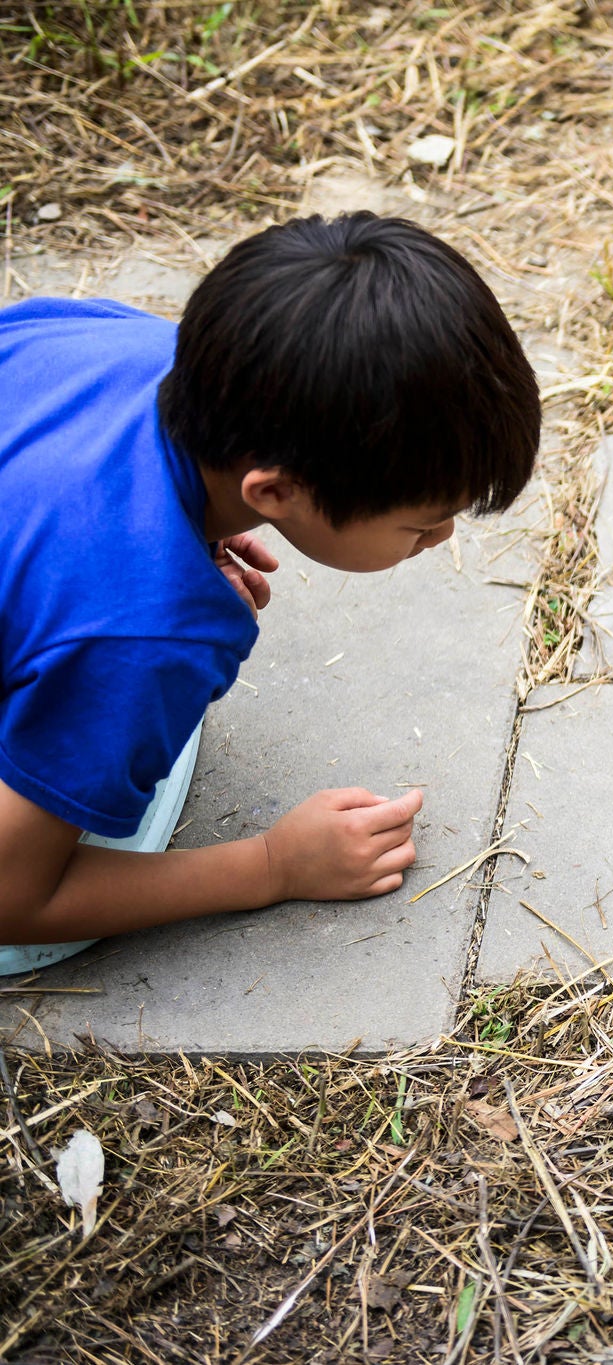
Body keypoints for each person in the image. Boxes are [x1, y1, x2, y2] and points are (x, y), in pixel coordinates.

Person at [0, 212, 540, 963]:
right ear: (274, 492)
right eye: (421, 526)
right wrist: (270, 866)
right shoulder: (154, 638)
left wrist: (173, 536)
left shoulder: (126, 343)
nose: (441, 539)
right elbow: (10, 896)